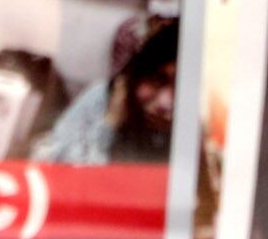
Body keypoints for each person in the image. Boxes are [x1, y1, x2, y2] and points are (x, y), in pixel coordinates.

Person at [37, 16, 182, 166]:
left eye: (181, 91)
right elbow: (50, 160)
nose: (164, 103)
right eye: (157, 80)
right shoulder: (105, 97)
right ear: (138, 74)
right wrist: (109, 125)